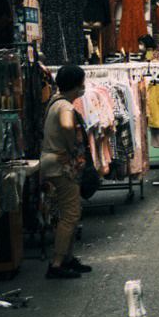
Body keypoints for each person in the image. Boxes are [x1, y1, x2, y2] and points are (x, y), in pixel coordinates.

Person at [39, 64, 92, 280]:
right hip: (61, 165)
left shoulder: (55, 102)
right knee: (70, 214)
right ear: (76, 83)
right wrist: (71, 150)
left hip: (52, 163)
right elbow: (68, 126)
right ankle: (57, 263)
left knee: (68, 212)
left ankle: (68, 258)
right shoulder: (65, 107)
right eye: (82, 81)